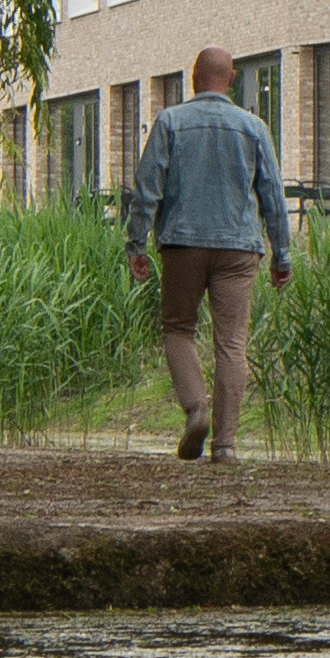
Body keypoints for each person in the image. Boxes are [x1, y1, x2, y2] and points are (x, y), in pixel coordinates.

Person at [120, 47, 292, 461]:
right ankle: (226, 446)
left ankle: (196, 408)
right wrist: (281, 255)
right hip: (238, 249)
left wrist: (136, 243)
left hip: (183, 244)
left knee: (178, 329)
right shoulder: (253, 128)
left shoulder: (171, 122)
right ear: (230, 78)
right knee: (232, 343)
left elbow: (147, 188)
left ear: (192, 76)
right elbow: (273, 196)